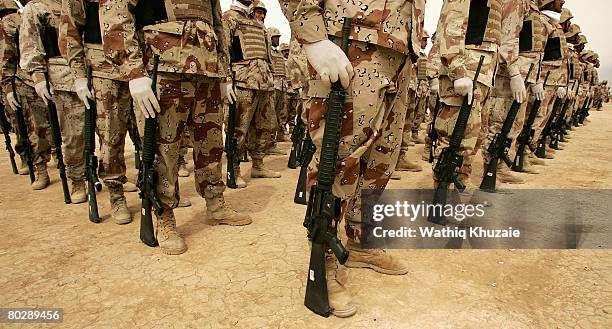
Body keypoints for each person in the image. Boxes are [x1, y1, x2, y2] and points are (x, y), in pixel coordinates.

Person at [281, 0, 422, 317]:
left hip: (399, 49)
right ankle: (325, 256)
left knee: (380, 161)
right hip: (350, 39)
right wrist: (313, 35)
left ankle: (360, 240)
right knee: (339, 157)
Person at [100, 0, 252, 255]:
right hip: (163, 65)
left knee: (212, 144)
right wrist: (133, 71)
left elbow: (216, 24)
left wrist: (224, 73)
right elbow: (115, 10)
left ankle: (215, 203)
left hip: (207, 69)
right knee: (165, 148)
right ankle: (165, 215)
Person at [21, 0, 87, 203]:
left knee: (107, 133)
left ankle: (111, 179)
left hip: (98, 70)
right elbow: (30, 43)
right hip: (64, 77)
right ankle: (77, 179)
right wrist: (38, 78)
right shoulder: (38, 6)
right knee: (73, 134)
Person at [223, 0, 280, 189]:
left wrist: (270, 76)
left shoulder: (257, 23)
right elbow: (223, 51)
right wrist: (226, 80)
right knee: (238, 128)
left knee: (265, 126)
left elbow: (267, 55)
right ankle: (235, 169)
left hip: (264, 82)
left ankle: (258, 165)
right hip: (242, 81)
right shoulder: (229, 18)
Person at [0, 0, 52, 189]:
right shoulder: (9, 19)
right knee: (35, 127)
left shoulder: (47, 6)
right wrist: (7, 86)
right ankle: (40, 167)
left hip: (52, 73)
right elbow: (7, 54)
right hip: (25, 79)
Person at [267, 26, 289, 155]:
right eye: (275, 37)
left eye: (278, 37)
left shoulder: (279, 53)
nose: (277, 40)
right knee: (271, 117)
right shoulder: (268, 51)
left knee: (281, 114)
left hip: (282, 85)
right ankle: (269, 144)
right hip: (273, 85)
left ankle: (278, 136)